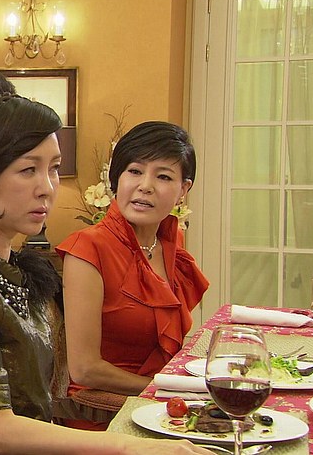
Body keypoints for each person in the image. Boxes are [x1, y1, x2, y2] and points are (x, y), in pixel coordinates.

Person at [0, 70, 213, 455]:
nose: (47, 187)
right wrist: (128, 447)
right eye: (28, 170)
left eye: (54, 168)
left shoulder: (8, 263)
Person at [56, 121, 210, 430]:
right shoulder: (88, 248)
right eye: (135, 171)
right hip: (106, 415)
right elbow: (85, 369)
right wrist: (170, 390)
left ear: (183, 190)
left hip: (162, 409)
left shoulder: (170, 242)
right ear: (117, 178)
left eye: (163, 176)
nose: (145, 186)